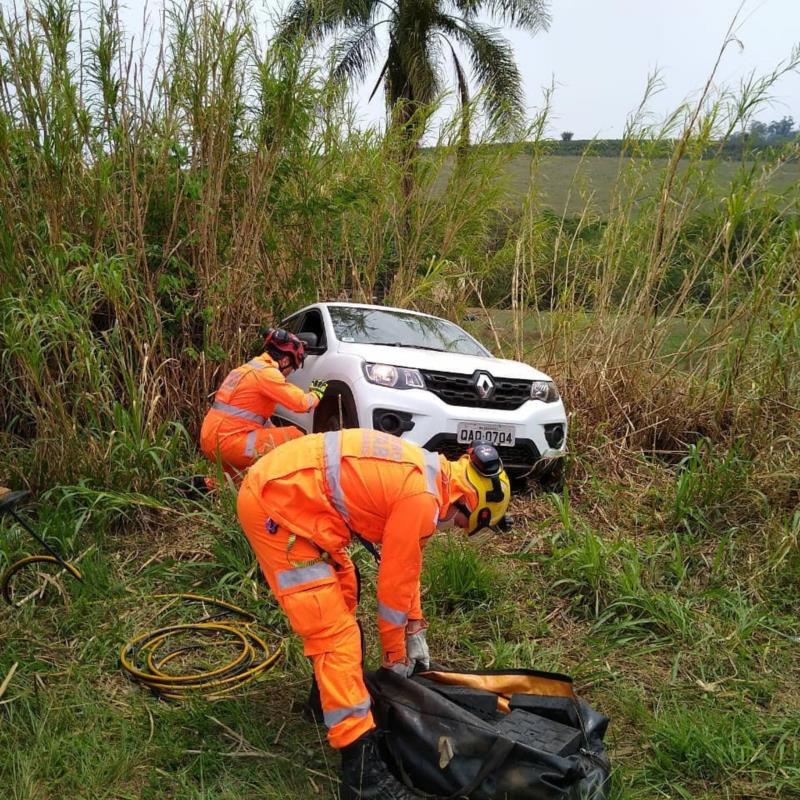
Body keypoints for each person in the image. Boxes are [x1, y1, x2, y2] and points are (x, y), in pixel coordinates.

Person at [237, 429, 511, 800]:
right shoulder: (422, 499)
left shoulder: (431, 479)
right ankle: (362, 775)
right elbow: (393, 588)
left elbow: (406, 565)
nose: (456, 529)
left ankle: (323, 700)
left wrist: (414, 627)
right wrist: (395, 656)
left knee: (344, 592)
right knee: (335, 635)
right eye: (464, 523)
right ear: (466, 501)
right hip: (278, 509)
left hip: (299, 499)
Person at [199, 328, 327, 479]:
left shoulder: (245, 370)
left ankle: (203, 485)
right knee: (294, 436)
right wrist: (316, 393)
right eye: (292, 369)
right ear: (285, 361)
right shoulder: (268, 374)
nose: (289, 374)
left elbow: (253, 419)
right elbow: (302, 404)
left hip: (211, 440)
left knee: (238, 481)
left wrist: (275, 433)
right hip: (229, 443)